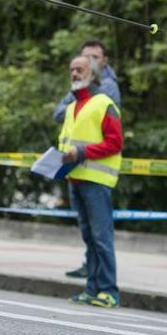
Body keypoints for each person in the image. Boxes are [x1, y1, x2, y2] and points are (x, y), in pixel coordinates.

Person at [53, 39, 121, 278]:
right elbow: (58, 116)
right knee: (90, 237)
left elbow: (114, 142)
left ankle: (108, 290)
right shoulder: (74, 105)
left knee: (101, 238)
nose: (74, 73)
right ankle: (92, 288)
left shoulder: (105, 97)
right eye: (72, 69)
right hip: (75, 177)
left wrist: (81, 153)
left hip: (96, 177)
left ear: (95, 70)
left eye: (81, 67)